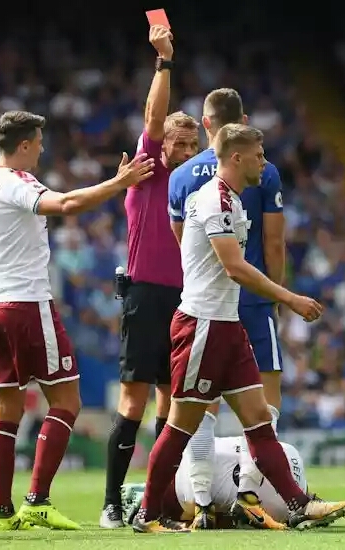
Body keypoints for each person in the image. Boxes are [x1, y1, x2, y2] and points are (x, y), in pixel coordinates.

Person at [132, 124, 345, 533]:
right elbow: (234, 267)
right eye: (258, 154)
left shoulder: (230, 199)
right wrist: (288, 297)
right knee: (181, 424)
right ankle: (148, 513)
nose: (264, 162)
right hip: (201, 325)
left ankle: (299, 504)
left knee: (258, 421)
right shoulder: (216, 200)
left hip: (227, 326)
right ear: (236, 157)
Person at [0, 110, 155, 531]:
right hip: (27, 303)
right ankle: (37, 500)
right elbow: (67, 203)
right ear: (26, 145)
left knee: (8, 408)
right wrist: (118, 183)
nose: (44, 149)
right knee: (67, 402)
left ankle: (2, 512)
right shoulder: (19, 183)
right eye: (39, 141)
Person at [168, 88, 286, 529]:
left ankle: (200, 500)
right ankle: (249, 493)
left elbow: (187, 248)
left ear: (206, 124)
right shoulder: (265, 170)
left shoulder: (180, 176)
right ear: (243, 122)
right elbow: (273, 242)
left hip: (202, 302)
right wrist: (280, 296)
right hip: (251, 301)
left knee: (200, 409)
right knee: (265, 409)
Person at [101, 24, 199, 528]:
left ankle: (157, 502)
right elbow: (154, 116)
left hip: (186, 300)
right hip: (144, 295)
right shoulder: (147, 168)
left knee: (172, 402)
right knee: (134, 399)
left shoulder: (199, 186)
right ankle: (111, 501)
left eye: (189, 145)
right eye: (176, 142)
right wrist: (164, 62)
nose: (180, 150)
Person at [122, 415, 308, 528]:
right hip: (184, 488)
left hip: (191, 456)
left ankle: (145, 497)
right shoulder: (282, 512)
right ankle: (144, 498)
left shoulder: (292, 452)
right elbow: (234, 521)